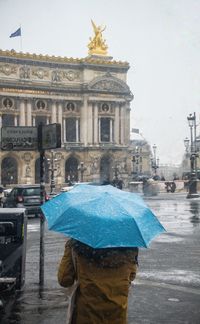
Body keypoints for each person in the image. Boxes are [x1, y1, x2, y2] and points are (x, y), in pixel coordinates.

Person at [58, 239, 138, 324]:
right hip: (117, 314)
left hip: (86, 315)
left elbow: (64, 280)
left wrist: (69, 247)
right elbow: (131, 276)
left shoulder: (78, 243)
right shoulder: (129, 246)